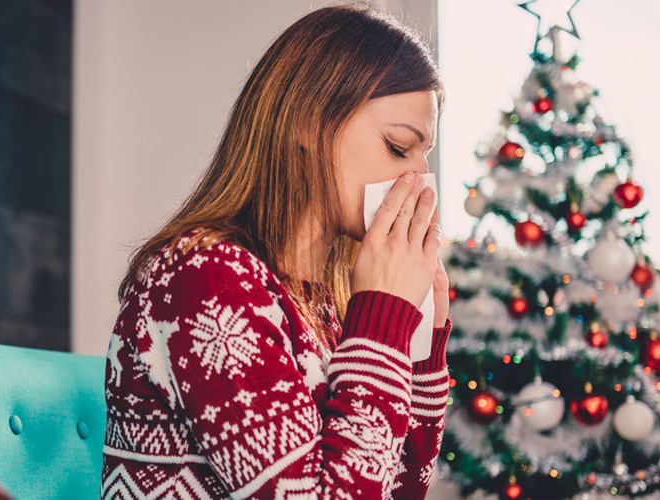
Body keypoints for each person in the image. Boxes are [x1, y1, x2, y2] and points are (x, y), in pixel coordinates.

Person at [100, 3, 451, 499]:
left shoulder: (324, 301)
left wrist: (420, 343)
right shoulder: (206, 278)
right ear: (309, 121)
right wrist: (379, 324)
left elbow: (399, 490)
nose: (420, 181)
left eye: (424, 154)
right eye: (398, 147)